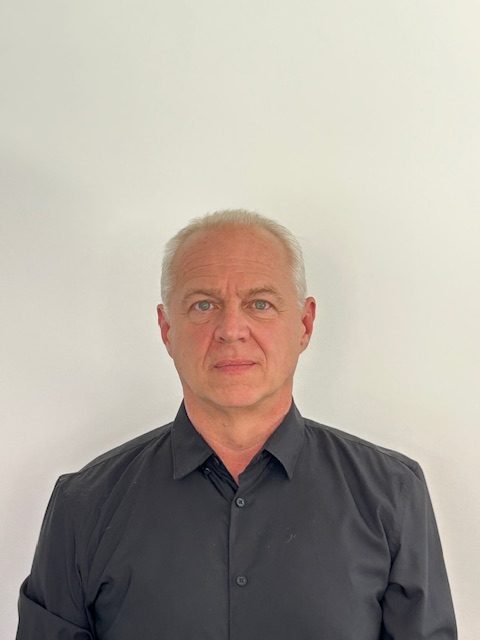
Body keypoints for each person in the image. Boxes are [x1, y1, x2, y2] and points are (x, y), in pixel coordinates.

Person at [17, 209, 457, 639]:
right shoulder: (84, 506)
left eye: (260, 304)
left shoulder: (391, 494)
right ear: (167, 328)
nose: (231, 328)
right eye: (203, 305)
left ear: (304, 325)